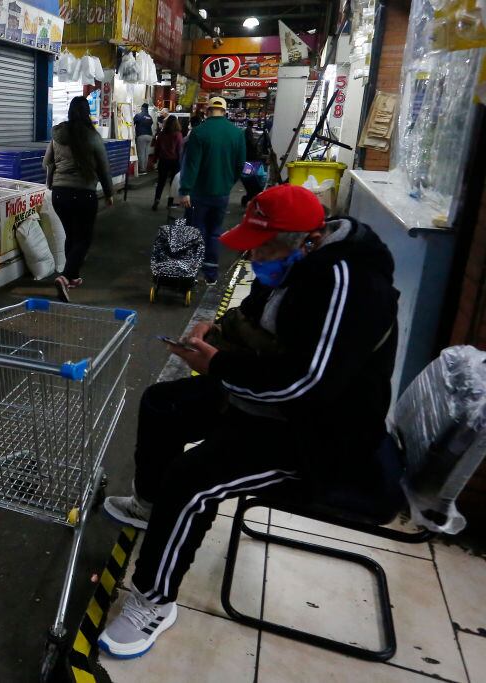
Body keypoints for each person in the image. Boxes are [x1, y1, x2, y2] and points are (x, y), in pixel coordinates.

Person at [98, 184, 399, 659]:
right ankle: (152, 507)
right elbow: (256, 314)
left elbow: (307, 386)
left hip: (316, 433)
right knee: (162, 403)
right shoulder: (291, 264)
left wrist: (217, 366)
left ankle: (154, 600)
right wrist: (212, 333)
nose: (257, 256)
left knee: (192, 480)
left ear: (309, 239)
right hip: (268, 402)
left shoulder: (349, 284)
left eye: (265, 246)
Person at [44, 96, 114, 302]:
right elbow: (103, 168)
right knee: (83, 238)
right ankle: (65, 277)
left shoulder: (58, 134)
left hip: (59, 194)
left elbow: (46, 162)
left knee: (72, 236)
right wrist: (109, 193)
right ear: (86, 113)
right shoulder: (92, 136)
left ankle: (72, 276)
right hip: (83, 194)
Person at [178, 96, 246, 285]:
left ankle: (193, 273)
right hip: (222, 193)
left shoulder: (199, 133)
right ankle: (211, 275)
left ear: (208, 110)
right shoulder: (236, 134)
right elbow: (240, 165)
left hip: (199, 193)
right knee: (214, 232)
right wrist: (227, 183)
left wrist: (185, 190)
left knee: (196, 231)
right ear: (224, 111)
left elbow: (191, 165)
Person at [152, 117, 183, 211]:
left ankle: (157, 200)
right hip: (175, 161)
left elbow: (157, 148)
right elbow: (179, 149)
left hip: (163, 160)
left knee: (161, 182)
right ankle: (170, 203)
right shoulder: (178, 134)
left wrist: (154, 159)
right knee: (173, 183)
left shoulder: (161, 134)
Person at [240, 120, 264, 207]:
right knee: (250, 179)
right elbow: (250, 143)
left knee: (249, 180)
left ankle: (247, 198)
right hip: (251, 159)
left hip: (249, 159)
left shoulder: (247, 131)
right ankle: (248, 199)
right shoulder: (248, 131)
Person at [133, 104, 155, 174]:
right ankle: (144, 168)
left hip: (141, 135)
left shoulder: (138, 115)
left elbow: (132, 124)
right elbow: (151, 124)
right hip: (149, 136)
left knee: (141, 153)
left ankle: (142, 169)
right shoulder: (150, 117)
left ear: (142, 108)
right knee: (146, 153)